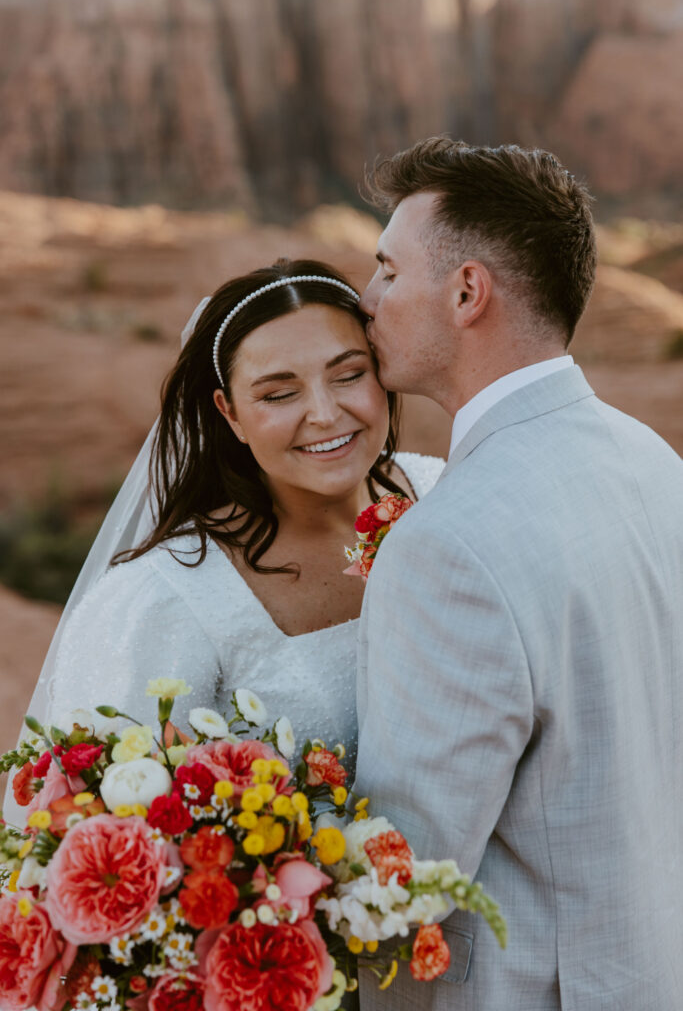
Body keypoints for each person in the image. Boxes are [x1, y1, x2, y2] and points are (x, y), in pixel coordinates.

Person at [354, 138, 683, 1009]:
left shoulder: (445, 544)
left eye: (387, 271)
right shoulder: (652, 463)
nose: (367, 300)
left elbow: (403, 884)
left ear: (467, 292)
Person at [8, 258, 443, 811]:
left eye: (350, 374)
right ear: (230, 413)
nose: (326, 413)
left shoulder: (443, 495)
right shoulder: (163, 600)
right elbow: (93, 821)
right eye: (278, 394)